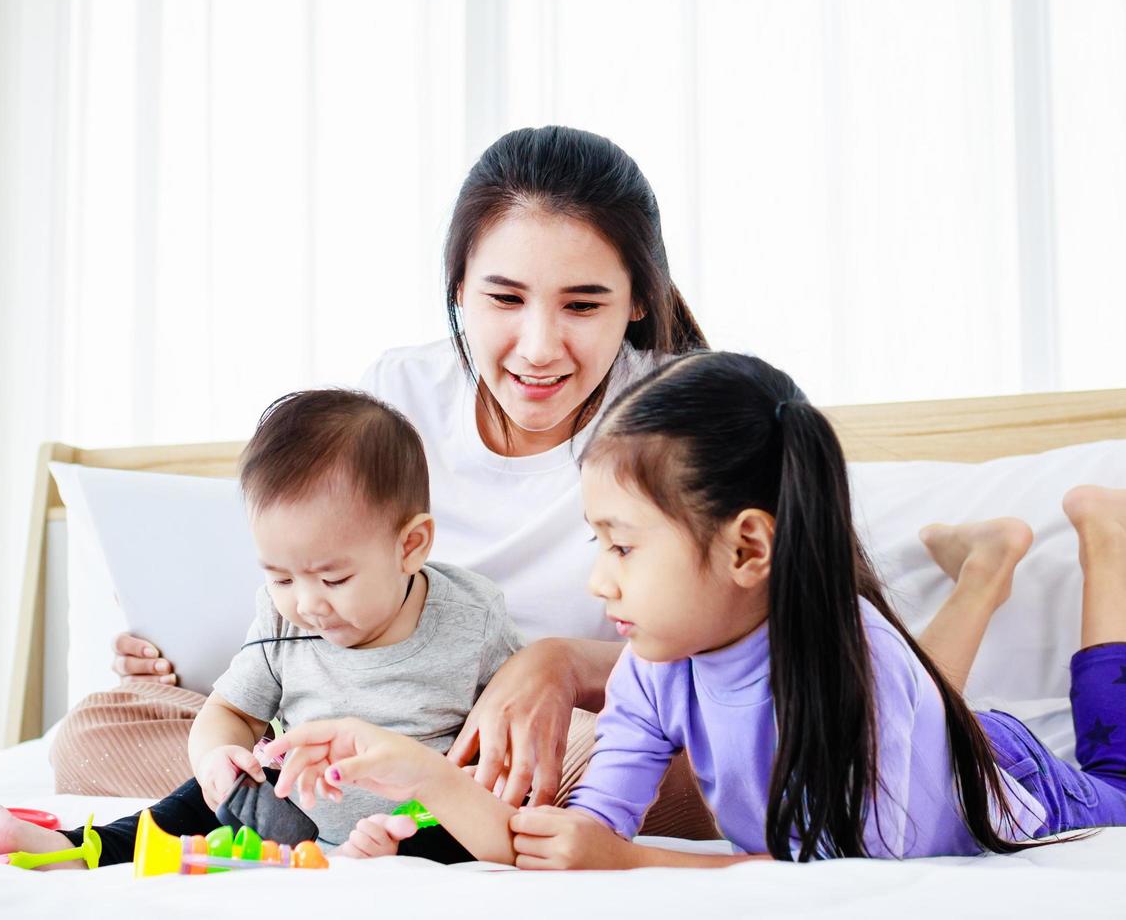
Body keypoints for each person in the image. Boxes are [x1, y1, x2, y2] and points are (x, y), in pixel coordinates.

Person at [62, 126, 1003, 829]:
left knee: (738, 772)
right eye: (504, 300)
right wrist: (209, 652)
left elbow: (778, 651)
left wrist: (552, 665)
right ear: (458, 290)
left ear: (639, 302)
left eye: (584, 304)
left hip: (578, 734)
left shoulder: (672, 419)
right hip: (377, 711)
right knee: (93, 736)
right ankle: (379, 791)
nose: (539, 349)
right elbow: (323, 580)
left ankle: (985, 572)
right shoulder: (396, 395)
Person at [261, 351, 1126, 867]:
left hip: (1023, 782)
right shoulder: (652, 669)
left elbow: (826, 876)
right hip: (935, 738)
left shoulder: (867, 671)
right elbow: (571, 839)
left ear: (749, 549)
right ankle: (989, 561)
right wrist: (420, 774)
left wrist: (633, 860)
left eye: (623, 546)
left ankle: (1103, 544)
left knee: (1118, 771)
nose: (600, 583)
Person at [0, 389, 521, 866]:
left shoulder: (472, 617)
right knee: (189, 802)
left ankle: (389, 855)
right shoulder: (280, 619)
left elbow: (515, 739)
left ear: (410, 546)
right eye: (280, 577)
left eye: (333, 579)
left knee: (482, 819)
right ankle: (75, 850)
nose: (306, 604)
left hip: (417, 817)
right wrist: (218, 759)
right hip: (286, 814)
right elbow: (231, 711)